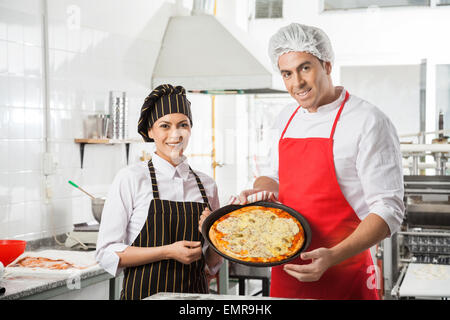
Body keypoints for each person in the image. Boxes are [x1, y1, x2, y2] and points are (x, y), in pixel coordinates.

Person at [229, 23, 405, 299]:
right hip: (286, 271)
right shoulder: (286, 118)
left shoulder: (367, 120)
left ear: (326, 64)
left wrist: (333, 255)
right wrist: (260, 193)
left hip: (344, 272)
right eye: (287, 73)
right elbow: (271, 175)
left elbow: (389, 208)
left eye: (305, 68)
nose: (296, 83)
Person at [95, 84, 223, 300]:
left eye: (183, 124)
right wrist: (167, 251)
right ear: (150, 131)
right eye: (165, 125)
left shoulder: (206, 185)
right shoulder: (131, 178)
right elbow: (106, 253)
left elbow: (211, 263)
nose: (175, 134)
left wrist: (216, 233)